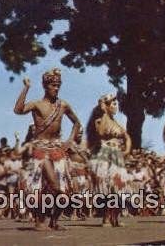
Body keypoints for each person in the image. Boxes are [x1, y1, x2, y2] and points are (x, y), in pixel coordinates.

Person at [13, 68, 81, 231]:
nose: (56, 88)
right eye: (52, 85)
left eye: (58, 85)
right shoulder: (37, 104)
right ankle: (39, 219)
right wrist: (26, 88)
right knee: (48, 187)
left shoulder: (63, 105)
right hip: (41, 151)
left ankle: (54, 221)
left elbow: (77, 123)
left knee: (65, 190)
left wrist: (70, 141)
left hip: (58, 150)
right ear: (45, 86)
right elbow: (18, 110)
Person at [86, 94, 131, 227]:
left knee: (118, 185)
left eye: (116, 103)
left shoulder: (117, 123)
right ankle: (106, 217)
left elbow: (127, 136)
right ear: (105, 106)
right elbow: (100, 133)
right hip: (105, 154)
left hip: (117, 155)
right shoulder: (100, 119)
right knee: (106, 186)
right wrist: (104, 113)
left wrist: (127, 149)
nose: (115, 106)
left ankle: (115, 217)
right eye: (112, 103)